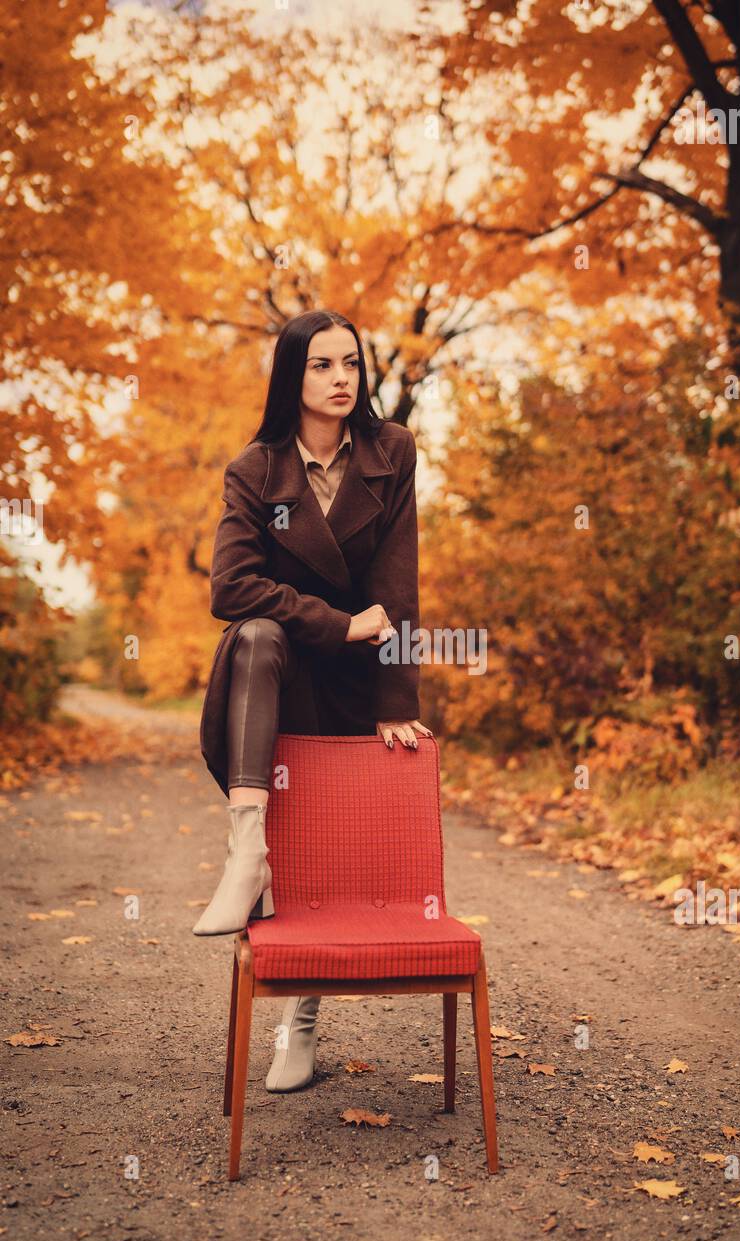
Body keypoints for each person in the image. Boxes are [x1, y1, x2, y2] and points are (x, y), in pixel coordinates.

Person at [194, 308, 431, 1092]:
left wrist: (397, 695)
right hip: (279, 677)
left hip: (360, 680)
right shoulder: (255, 471)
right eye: (321, 366)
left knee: (328, 862)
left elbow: (398, 582)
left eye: (351, 364)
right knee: (257, 633)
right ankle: (246, 846)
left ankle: (298, 1024)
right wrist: (335, 622)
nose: (340, 379)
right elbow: (230, 588)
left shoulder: (390, 452)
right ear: (291, 379)